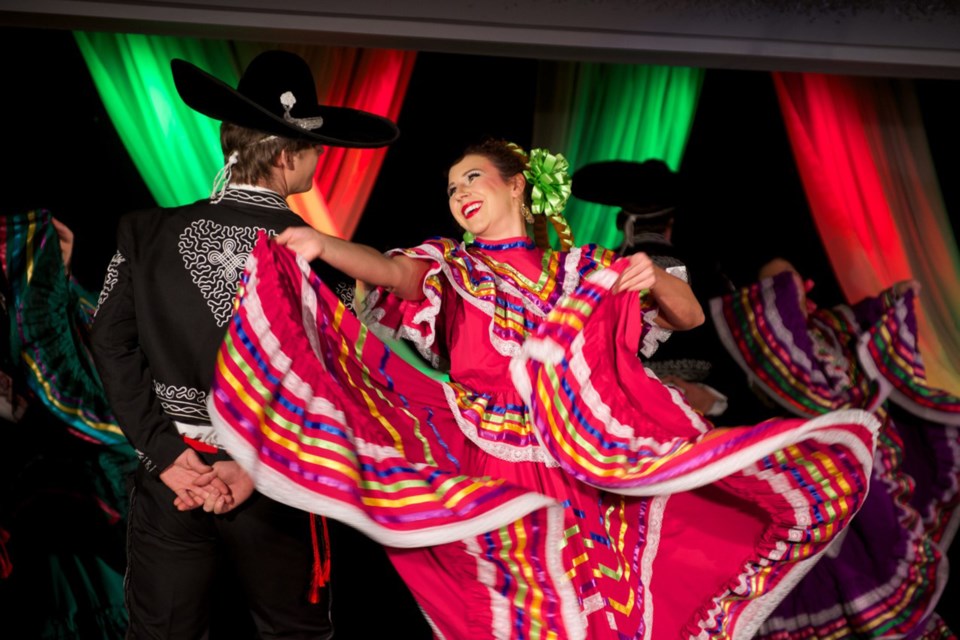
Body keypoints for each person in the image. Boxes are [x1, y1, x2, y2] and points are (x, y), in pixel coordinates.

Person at [206, 137, 881, 639]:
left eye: (472, 176)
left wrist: (655, 277)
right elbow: (390, 273)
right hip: (495, 467)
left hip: (583, 462)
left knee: (602, 614)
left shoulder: (583, 269)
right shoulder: (450, 269)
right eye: (449, 186)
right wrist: (324, 248)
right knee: (517, 616)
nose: (459, 192)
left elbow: (689, 316)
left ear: (517, 186)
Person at [89, 49, 399, 639]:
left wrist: (167, 456)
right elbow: (337, 380)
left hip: (172, 479)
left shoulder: (146, 232)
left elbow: (108, 343)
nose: (321, 158)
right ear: (286, 156)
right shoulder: (323, 257)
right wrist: (254, 468)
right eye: (316, 147)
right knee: (293, 634)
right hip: (276, 479)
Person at [711, 256, 960, 639]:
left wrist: (892, 299)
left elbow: (862, 322)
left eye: (792, 274)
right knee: (850, 557)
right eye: (783, 279)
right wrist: (780, 284)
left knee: (883, 545)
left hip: (870, 459)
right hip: (824, 466)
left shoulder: (826, 325)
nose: (798, 283)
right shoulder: (771, 335)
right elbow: (799, 385)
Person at [0, 209, 136, 639]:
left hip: (86, 507)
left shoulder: (66, 311)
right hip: (47, 518)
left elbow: (84, 355)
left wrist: (56, 282)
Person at [571, 159, 772, 426]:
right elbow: (740, 352)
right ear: (671, 223)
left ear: (622, 223)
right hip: (706, 417)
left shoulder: (597, 272)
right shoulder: (710, 276)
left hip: (616, 416)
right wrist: (712, 396)